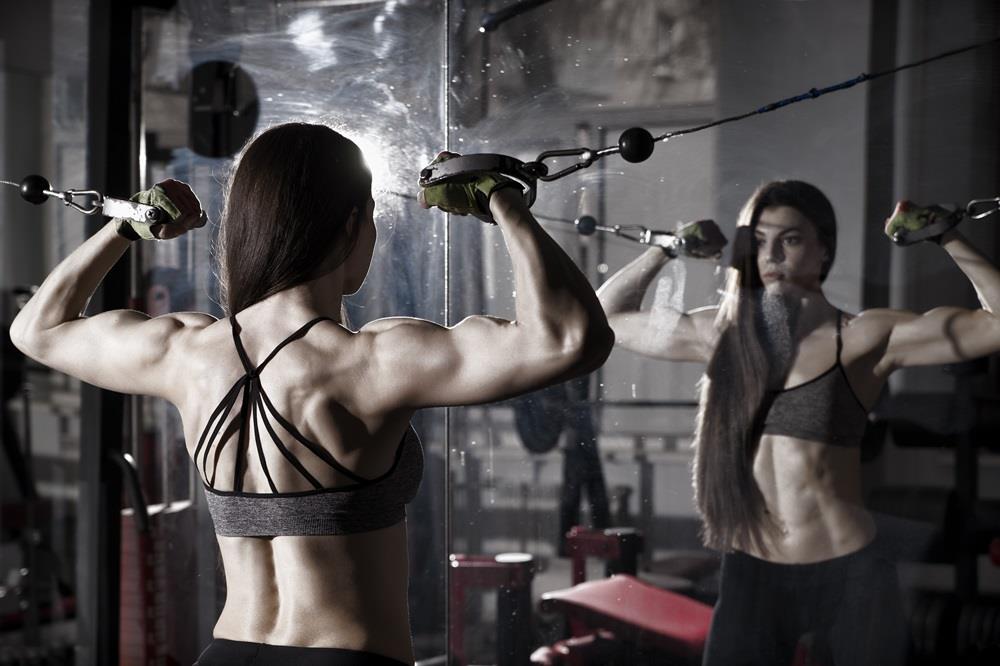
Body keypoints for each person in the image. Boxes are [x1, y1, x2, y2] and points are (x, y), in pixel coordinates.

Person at [10, 123, 614, 666]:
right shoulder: (370, 360)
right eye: (371, 217)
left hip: (224, 654)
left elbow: (37, 330)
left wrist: (123, 227)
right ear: (351, 223)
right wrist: (501, 200)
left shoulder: (186, 353)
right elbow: (569, 340)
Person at [596, 180, 1000, 666]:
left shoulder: (862, 337)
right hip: (752, 573)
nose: (773, 255)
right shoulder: (720, 336)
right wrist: (665, 250)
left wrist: (946, 234)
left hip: (849, 573)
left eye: (790, 239)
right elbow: (605, 319)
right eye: (759, 241)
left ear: (822, 250)